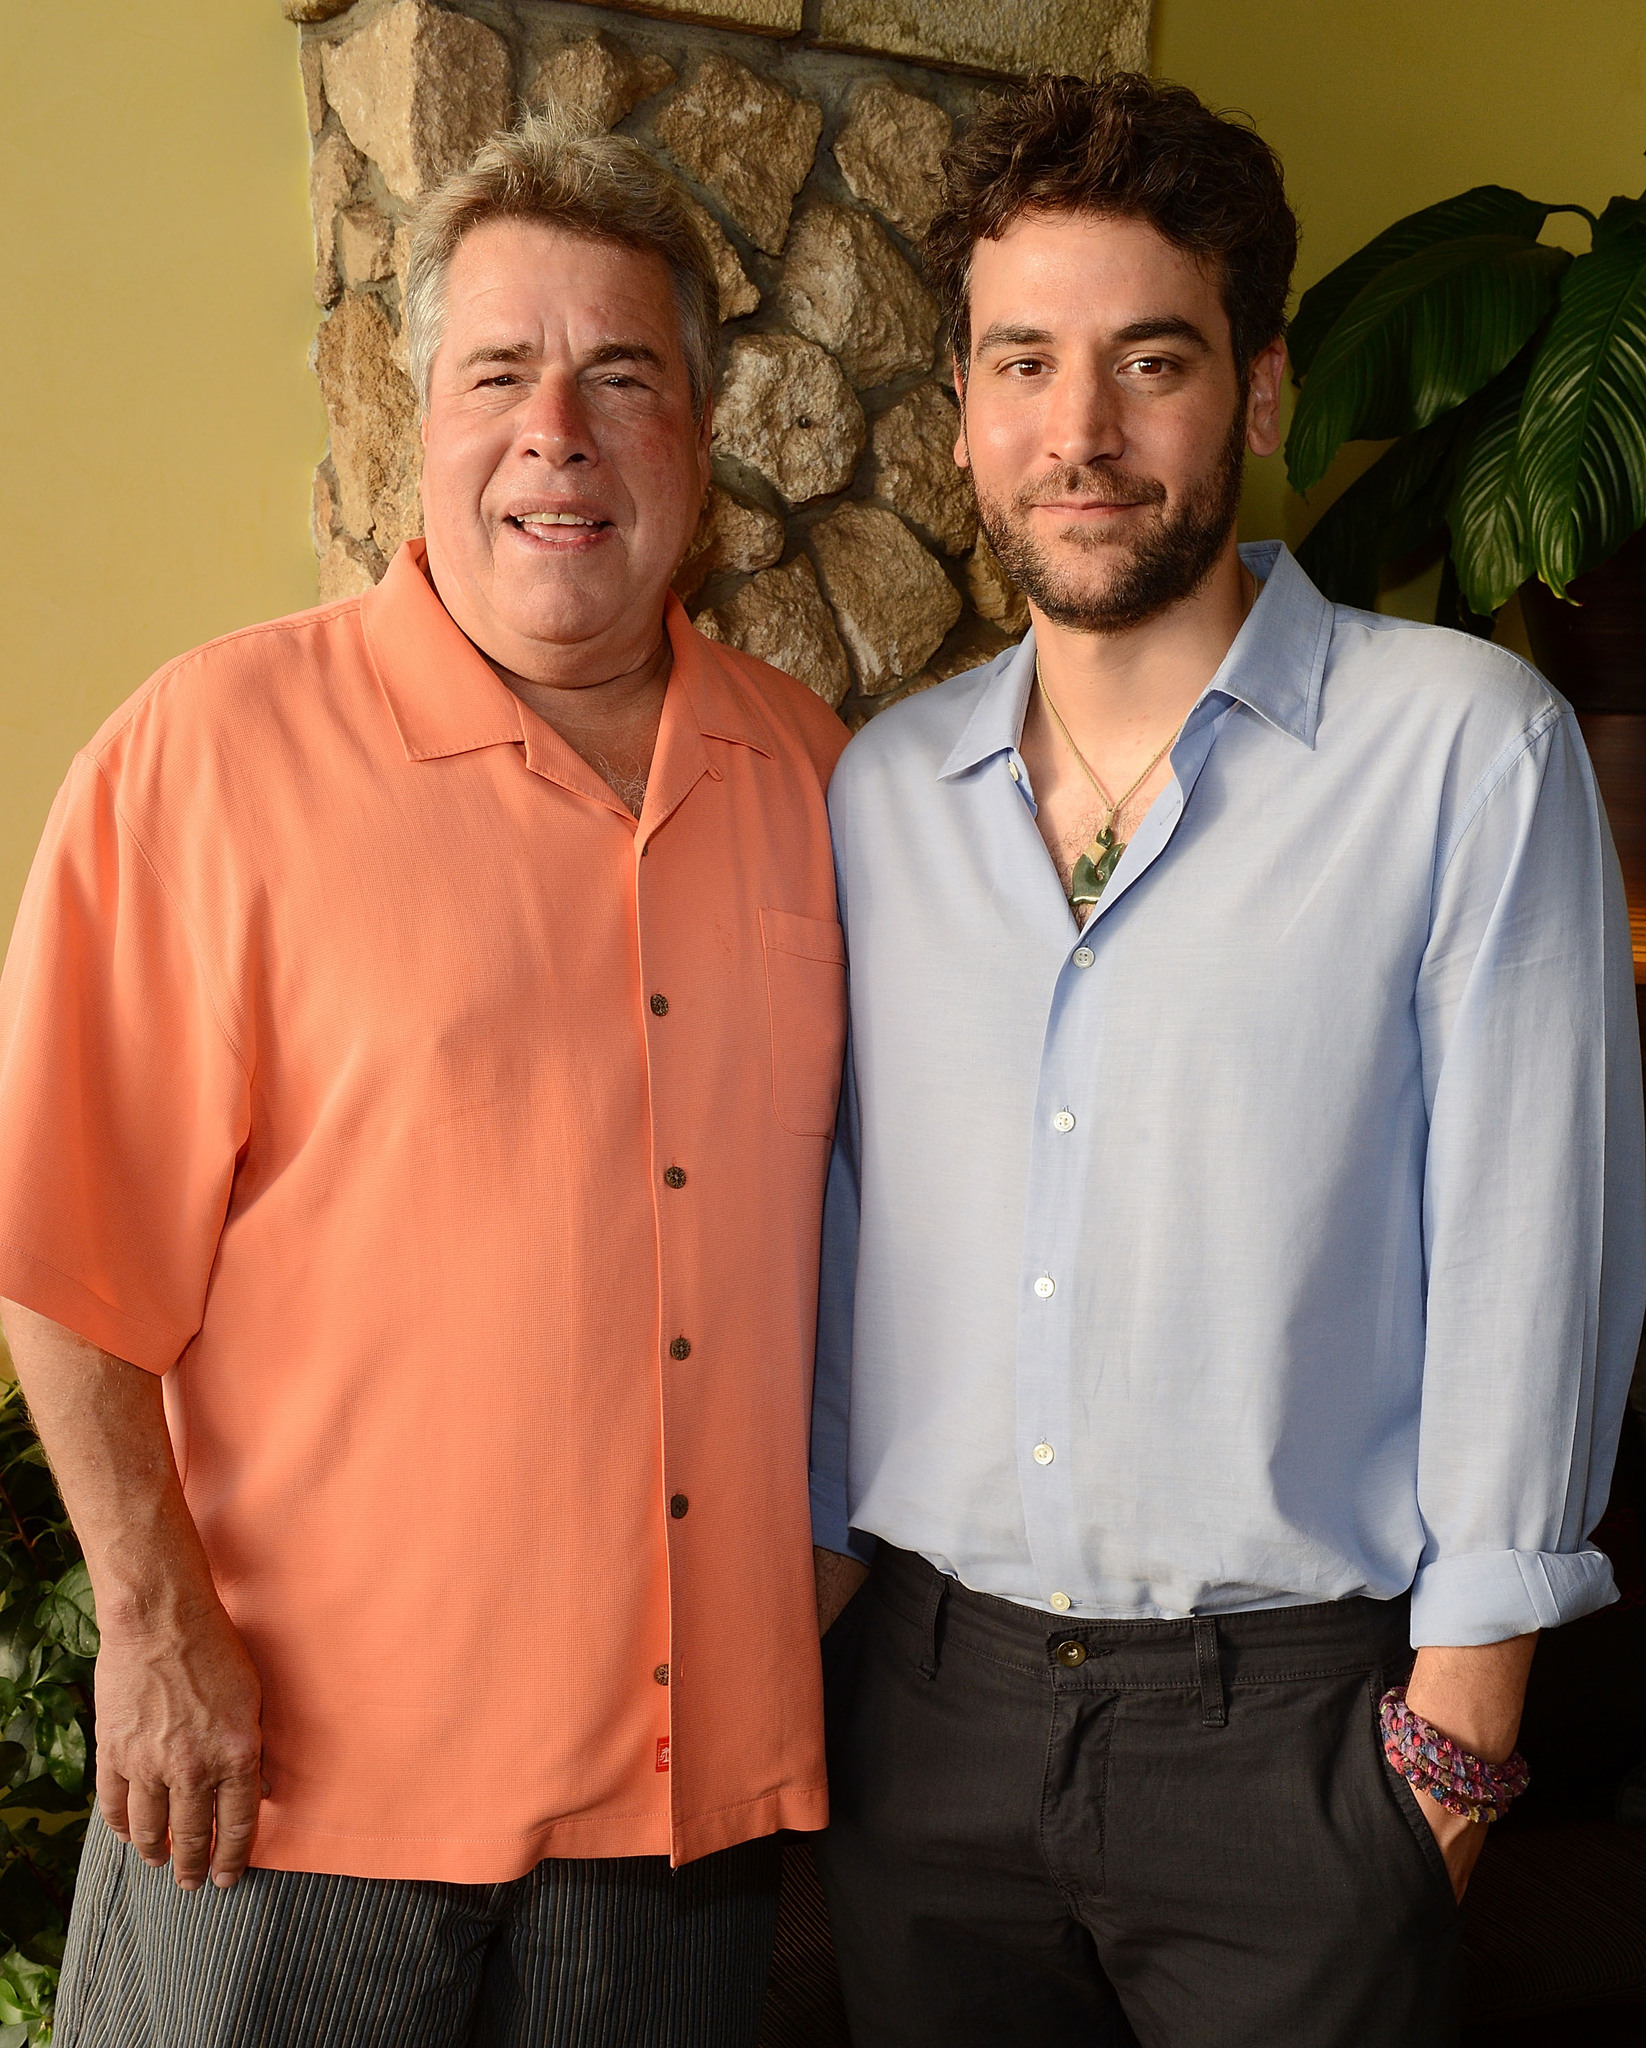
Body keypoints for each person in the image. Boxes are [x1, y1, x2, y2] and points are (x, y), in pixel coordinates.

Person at [809, 71, 1645, 2048]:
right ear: (960, 410)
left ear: (1259, 392)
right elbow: (833, 1249)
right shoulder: (879, 794)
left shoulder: (1461, 753)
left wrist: (1452, 1748)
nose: (1077, 431)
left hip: (1295, 1735)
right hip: (920, 1720)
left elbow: (1537, 1258)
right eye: (1022, 361)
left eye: (1146, 358)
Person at [0, 113, 848, 2048]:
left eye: (619, 376)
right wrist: (150, 1630)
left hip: (674, 1811)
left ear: (696, 444)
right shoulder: (202, 759)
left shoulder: (825, 781)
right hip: (290, 1787)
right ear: (419, 422)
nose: (555, 429)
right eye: (498, 373)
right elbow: (59, 1255)